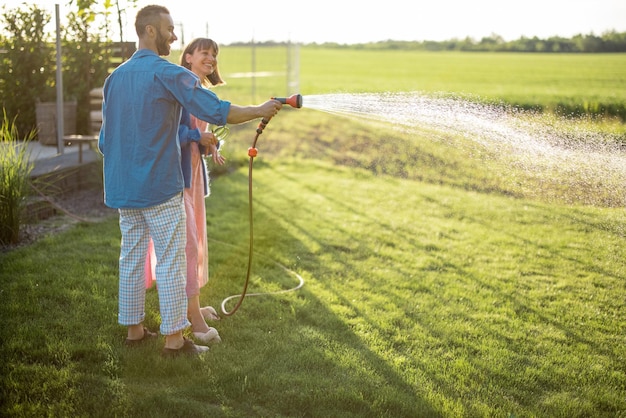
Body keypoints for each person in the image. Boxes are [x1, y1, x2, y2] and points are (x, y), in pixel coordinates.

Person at [98, 5, 282, 356]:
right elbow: (215, 109)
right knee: (169, 260)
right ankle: (174, 340)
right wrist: (259, 110)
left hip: (124, 191)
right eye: (169, 29)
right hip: (161, 186)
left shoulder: (114, 79)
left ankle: (135, 332)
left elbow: (105, 142)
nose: (174, 36)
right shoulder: (168, 73)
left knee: (133, 258)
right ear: (150, 31)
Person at [144, 38, 227, 345]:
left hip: (193, 178)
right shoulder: (179, 89)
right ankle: (194, 318)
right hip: (176, 180)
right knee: (188, 247)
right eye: (205, 52)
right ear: (188, 57)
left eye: (214, 54)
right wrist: (197, 135)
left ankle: (193, 304)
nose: (211, 57)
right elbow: (170, 132)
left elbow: (198, 137)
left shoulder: (200, 91)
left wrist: (209, 144)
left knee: (196, 244)